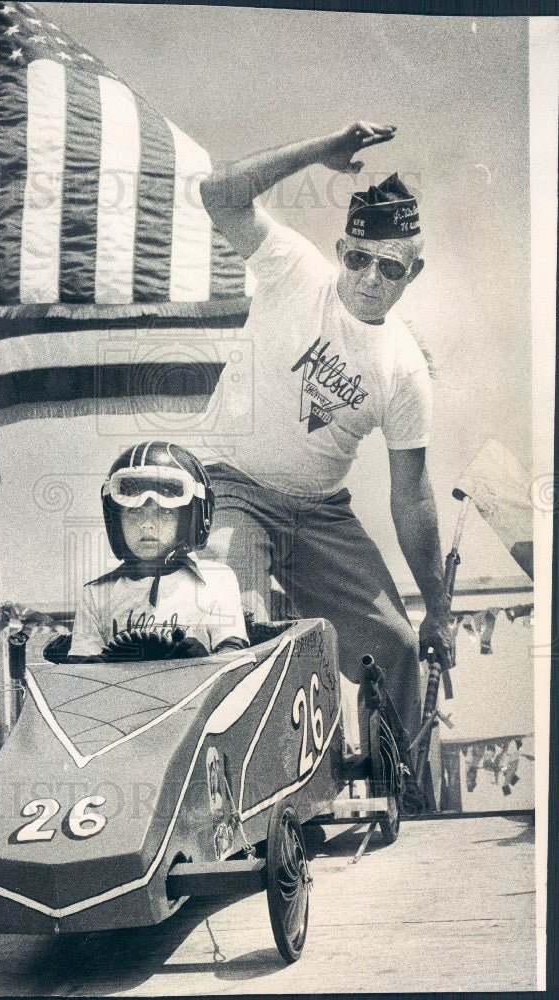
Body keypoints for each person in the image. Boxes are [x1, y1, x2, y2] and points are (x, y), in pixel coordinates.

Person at [197, 121, 455, 737]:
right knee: (239, 624)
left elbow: (412, 498)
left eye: (389, 268)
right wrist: (319, 150)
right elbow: (218, 194)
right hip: (234, 489)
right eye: (359, 259)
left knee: (391, 647)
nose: (370, 278)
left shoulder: (405, 369)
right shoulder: (294, 270)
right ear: (342, 252)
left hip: (320, 516)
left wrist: (438, 611)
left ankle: (403, 793)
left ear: (413, 273)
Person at [68, 442, 249, 662]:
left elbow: (235, 658)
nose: (146, 525)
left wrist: (203, 659)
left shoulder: (217, 579)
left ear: (187, 520)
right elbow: (81, 675)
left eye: (164, 512)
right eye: (133, 512)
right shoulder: (96, 594)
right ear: (116, 520)